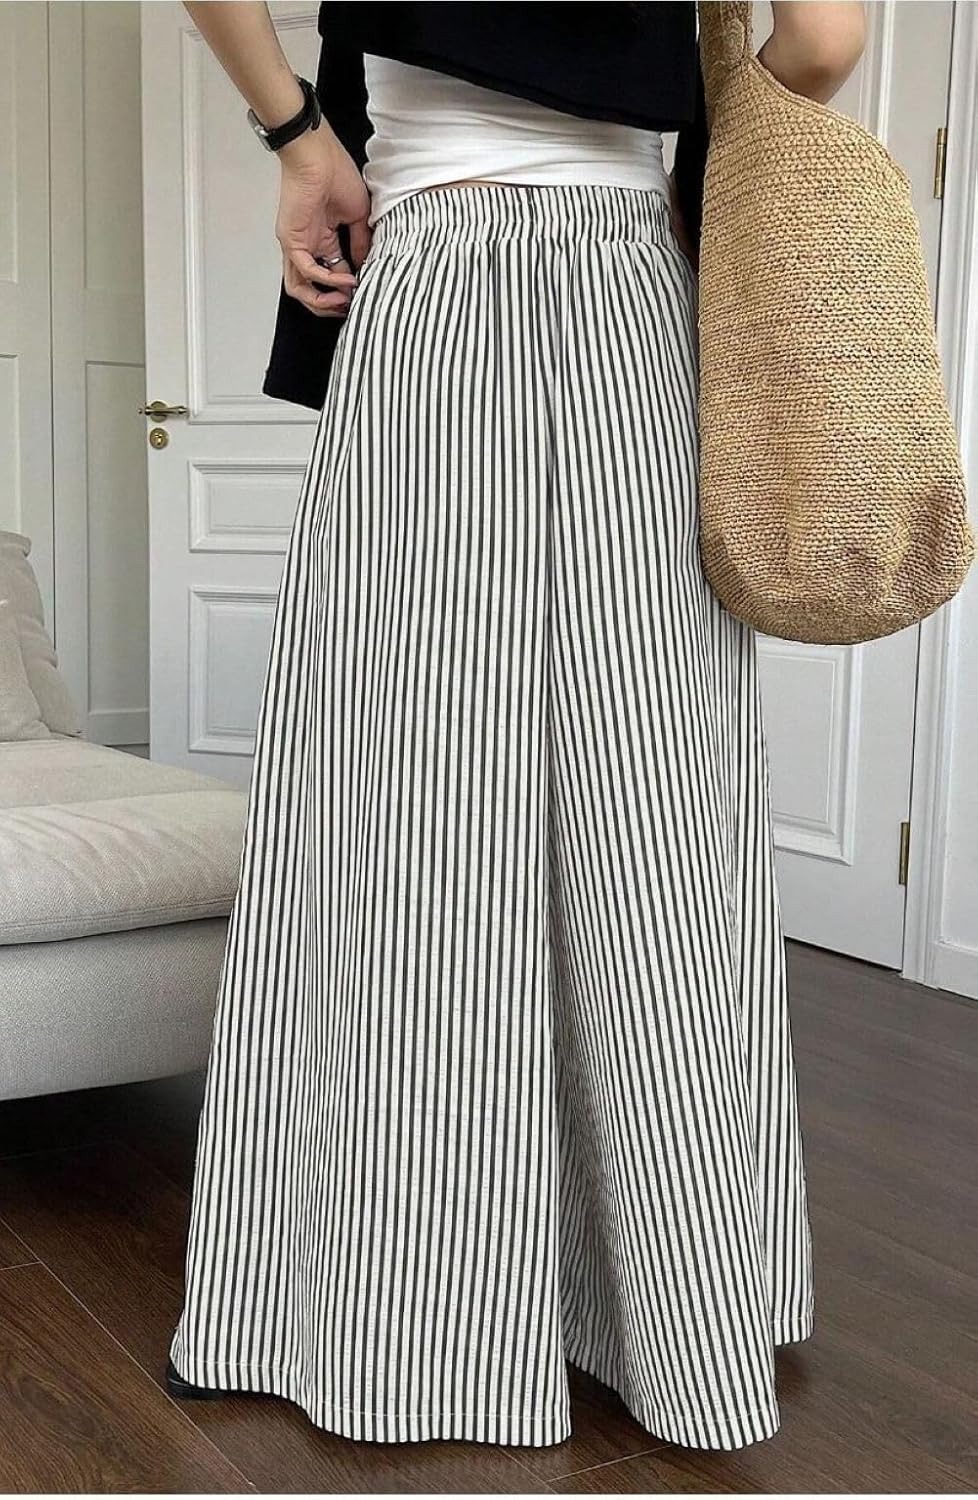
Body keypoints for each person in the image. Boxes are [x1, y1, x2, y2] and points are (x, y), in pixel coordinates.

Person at [167, 0, 865, 1451]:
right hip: (633, 294)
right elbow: (822, 39)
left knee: (406, 805)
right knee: (656, 814)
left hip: (431, 267)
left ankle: (395, 1318)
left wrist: (298, 136)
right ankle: (680, 1307)